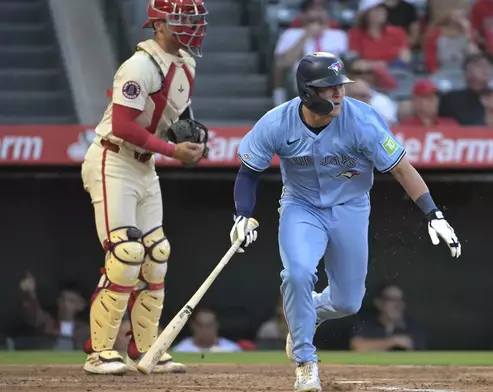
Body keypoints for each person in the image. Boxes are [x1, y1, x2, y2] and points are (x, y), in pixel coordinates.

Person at [229, 52, 462, 392]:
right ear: (308, 91)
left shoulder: (363, 119)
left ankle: (308, 316)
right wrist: (242, 214)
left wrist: (433, 214)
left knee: (347, 302)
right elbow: (248, 172)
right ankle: (306, 363)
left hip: (350, 207)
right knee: (297, 274)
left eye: (340, 85)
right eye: (329, 87)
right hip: (301, 206)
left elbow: (400, 167)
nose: (338, 93)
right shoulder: (277, 122)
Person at [79, 0, 208, 375]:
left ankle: (147, 350)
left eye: (197, 19)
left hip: (144, 166)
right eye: (185, 19)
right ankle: (100, 352)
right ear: (160, 24)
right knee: (127, 252)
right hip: (113, 159)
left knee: (157, 254)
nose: (194, 26)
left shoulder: (187, 64)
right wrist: (172, 149)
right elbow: (122, 124)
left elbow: (173, 115)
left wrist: (190, 139)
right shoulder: (140, 65)